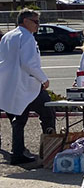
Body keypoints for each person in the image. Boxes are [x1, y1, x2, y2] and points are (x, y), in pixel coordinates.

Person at [0, 9, 56, 165]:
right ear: (25, 21)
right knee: (48, 113)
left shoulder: (7, 36)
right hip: (27, 85)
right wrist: (43, 79)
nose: (38, 25)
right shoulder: (26, 37)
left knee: (19, 119)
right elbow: (29, 63)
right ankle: (51, 149)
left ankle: (17, 152)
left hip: (10, 85)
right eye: (36, 21)